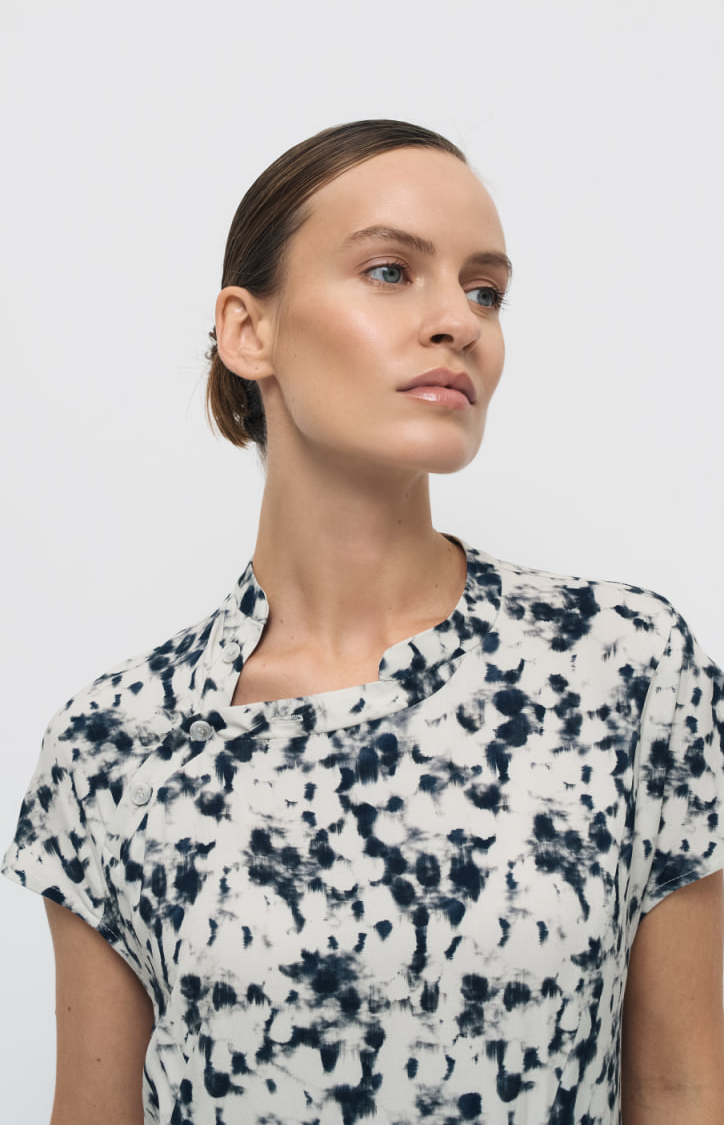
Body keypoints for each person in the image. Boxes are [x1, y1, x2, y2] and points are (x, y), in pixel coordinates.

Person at [3, 119, 724, 1125]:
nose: (458, 321)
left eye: (485, 291)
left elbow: (683, 1086)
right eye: (390, 271)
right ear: (248, 331)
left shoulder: (623, 664)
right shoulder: (115, 743)